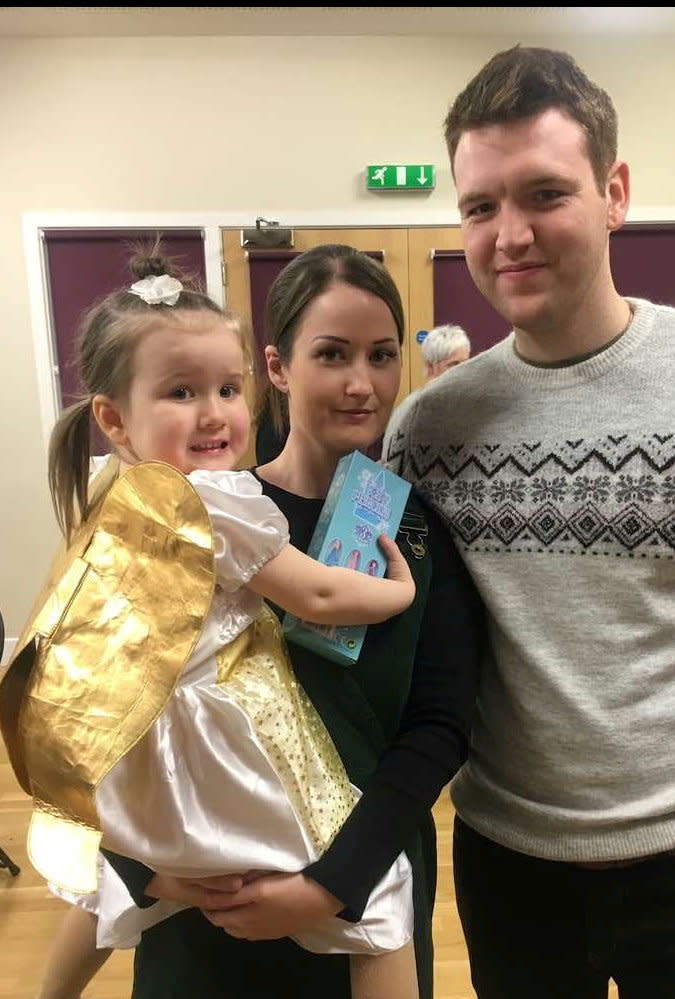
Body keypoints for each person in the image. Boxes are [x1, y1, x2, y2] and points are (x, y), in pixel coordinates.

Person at [384, 44, 675, 999]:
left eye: (544, 194)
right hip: (508, 866)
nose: (508, 234)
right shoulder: (427, 428)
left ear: (615, 192)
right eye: (480, 206)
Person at [36, 242, 482, 999]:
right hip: (200, 912)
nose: (359, 382)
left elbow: (440, 725)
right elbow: (101, 706)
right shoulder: (195, 509)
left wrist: (332, 884)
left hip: (358, 876)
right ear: (277, 367)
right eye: (331, 353)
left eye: (381, 355)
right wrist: (159, 871)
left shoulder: (414, 531)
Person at [382, 323, 470, 456]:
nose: (463, 371)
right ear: (431, 367)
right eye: (454, 365)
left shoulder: (467, 405)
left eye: (466, 363)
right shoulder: (412, 410)